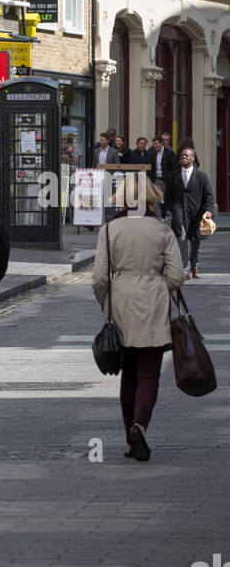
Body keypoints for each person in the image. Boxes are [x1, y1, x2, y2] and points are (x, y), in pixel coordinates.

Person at [93, 175, 185, 461]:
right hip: (152, 304)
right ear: (150, 196)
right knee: (149, 373)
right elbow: (177, 276)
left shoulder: (109, 230)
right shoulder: (161, 229)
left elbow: (99, 279)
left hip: (119, 303)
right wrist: (158, 288)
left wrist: (105, 303)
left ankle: (131, 441)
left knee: (128, 376)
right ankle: (140, 426)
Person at [171, 146, 215, 280]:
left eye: (186, 155)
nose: (183, 157)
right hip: (179, 214)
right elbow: (168, 195)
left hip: (196, 215)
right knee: (182, 240)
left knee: (196, 243)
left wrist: (208, 211)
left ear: (193, 158)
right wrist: (172, 207)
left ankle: (194, 266)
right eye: (182, 156)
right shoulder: (174, 176)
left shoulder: (202, 176)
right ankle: (184, 268)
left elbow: (208, 196)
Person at [149, 133, 178, 219]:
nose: (155, 146)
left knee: (166, 199)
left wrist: (171, 179)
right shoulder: (153, 153)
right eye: (154, 144)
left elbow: (174, 167)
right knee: (157, 200)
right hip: (157, 179)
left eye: (157, 144)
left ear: (162, 143)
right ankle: (159, 218)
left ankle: (165, 216)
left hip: (167, 180)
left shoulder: (169, 153)